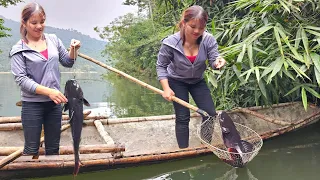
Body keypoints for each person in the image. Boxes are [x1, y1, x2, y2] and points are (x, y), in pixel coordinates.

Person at [10, 2, 81, 155]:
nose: (39, 26)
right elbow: (22, 80)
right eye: (34, 22)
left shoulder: (53, 40)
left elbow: (68, 62)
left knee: (53, 148)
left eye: (42, 22)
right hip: (32, 105)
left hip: (53, 104)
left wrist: (74, 49)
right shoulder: (19, 49)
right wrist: (49, 91)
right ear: (24, 23)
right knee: (31, 149)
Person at [156, 5, 226, 149]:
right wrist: (166, 88)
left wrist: (218, 62)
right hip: (176, 81)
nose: (197, 31)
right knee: (182, 117)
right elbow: (161, 66)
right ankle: (183, 150)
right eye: (193, 26)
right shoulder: (170, 43)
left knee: (210, 114)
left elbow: (214, 58)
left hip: (197, 81)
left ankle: (205, 145)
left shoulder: (208, 40)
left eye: (201, 28)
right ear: (183, 23)